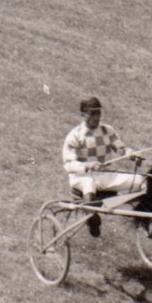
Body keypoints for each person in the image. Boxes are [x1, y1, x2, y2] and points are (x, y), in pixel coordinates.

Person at [62, 97, 145, 237]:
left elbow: (121, 149)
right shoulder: (74, 136)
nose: (96, 117)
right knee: (89, 182)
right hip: (81, 177)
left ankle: (144, 219)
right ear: (83, 114)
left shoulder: (107, 131)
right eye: (92, 113)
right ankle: (93, 220)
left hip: (105, 176)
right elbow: (68, 164)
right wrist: (87, 165)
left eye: (98, 113)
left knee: (141, 181)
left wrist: (132, 154)